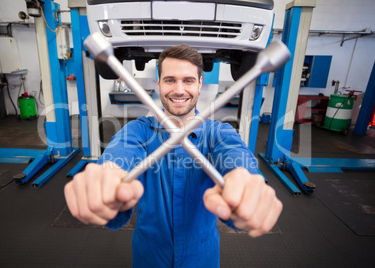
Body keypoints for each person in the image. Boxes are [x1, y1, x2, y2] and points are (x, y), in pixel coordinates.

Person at [64, 44, 283, 267]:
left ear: (199, 84)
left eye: (188, 80)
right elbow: (120, 154)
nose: (179, 90)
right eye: (170, 80)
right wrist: (107, 178)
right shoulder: (138, 131)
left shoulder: (219, 133)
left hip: (202, 257)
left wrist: (244, 183)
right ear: (158, 84)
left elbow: (236, 156)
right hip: (149, 256)